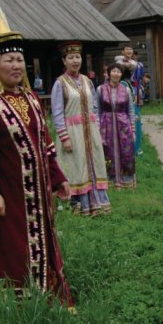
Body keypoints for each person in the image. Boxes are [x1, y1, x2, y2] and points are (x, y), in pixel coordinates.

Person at [0, 3, 74, 307]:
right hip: (7, 195)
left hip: (39, 196)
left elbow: (45, 145)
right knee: (13, 247)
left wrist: (58, 178)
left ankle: (49, 297)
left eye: (20, 59)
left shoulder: (32, 98)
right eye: (9, 59)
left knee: (44, 242)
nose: (17, 66)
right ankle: (20, 307)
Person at [50, 41, 112, 216]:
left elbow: (94, 108)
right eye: (71, 58)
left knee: (95, 164)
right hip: (73, 133)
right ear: (64, 61)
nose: (75, 61)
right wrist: (64, 137)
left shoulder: (87, 81)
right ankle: (78, 205)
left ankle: (97, 203)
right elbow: (57, 112)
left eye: (77, 57)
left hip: (90, 131)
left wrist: (97, 129)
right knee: (76, 167)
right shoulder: (60, 84)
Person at [97, 63, 137, 188]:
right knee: (107, 150)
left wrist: (133, 130)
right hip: (106, 124)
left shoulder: (126, 90)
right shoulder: (100, 89)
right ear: (108, 74)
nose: (116, 73)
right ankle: (110, 179)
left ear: (121, 74)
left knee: (125, 150)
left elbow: (130, 110)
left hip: (123, 124)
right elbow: (96, 110)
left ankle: (126, 179)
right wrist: (97, 127)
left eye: (118, 72)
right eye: (113, 71)